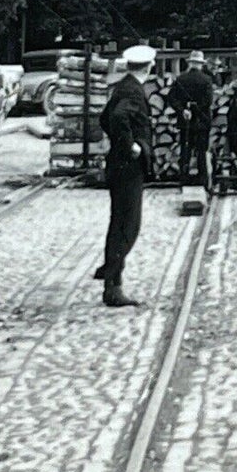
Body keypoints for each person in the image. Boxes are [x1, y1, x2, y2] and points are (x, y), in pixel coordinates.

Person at [96, 44, 155, 308]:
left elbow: (104, 118)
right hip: (128, 168)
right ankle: (113, 286)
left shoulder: (122, 86)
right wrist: (131, 146)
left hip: (118, 167)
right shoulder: (133, 90)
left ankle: (110, 268)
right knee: (128, 226)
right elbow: (118, 118)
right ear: (149, 67)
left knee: (118, 222)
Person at [169, 50, 216, 192]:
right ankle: (203, 181)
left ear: (190, 64)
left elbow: (171, 98)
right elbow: (208, 101)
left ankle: (183, 180)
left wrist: (183, 110)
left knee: (186, 150)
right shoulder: (206, 80)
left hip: (186, 120)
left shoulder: (181, 79)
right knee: (202, 151)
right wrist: (195, 109)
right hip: (202, 121)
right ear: (200, 64)